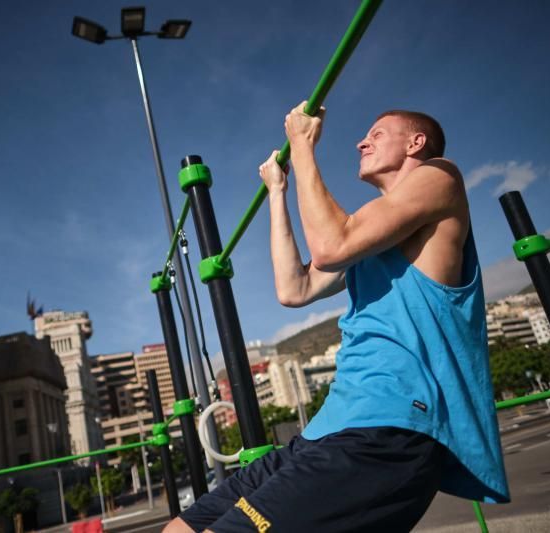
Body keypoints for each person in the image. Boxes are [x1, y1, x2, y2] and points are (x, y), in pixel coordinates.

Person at [164, 103, 509, 533]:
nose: (362, 141)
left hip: (387, 430)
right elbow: (294, 288)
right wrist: (277, 192)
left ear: (415, 143)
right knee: (178, 529)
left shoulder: (441, 176)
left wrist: (302, 145)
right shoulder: (372, 233)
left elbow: (332, 244)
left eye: (378, 134)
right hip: (328, 429)